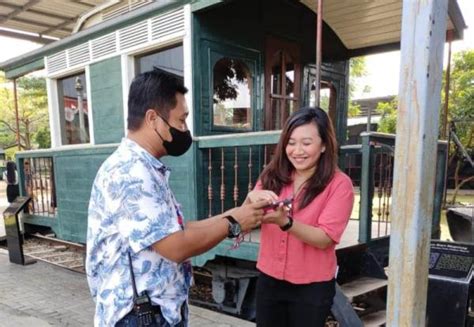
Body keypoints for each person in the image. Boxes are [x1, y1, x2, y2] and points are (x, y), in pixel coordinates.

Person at [86, 68, 267, 327]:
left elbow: (177, 229)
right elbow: (177, 246)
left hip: (152, 312)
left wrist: (237, 213)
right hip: (139, 317)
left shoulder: (144, 167)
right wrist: (234, 223)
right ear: (153, 119)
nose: (184, 129)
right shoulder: (131, 173)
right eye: (181, 120)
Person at [245, 107, 355, 327]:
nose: (297, 151)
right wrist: (251, 197)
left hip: (312, 287)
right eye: (291, 142)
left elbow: (325, 237)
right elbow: (246, 219)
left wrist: (285, 223)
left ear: (324, 145)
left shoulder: (339, 185)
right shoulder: (272, 175)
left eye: (306, 143)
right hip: (270, 278)